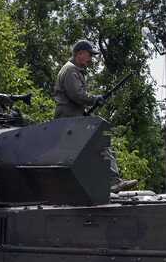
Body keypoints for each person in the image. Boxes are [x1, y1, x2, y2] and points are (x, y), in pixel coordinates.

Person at [54, 39, 137, 193]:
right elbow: (77, 94)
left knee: (92, 149)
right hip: (70, 118)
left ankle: (109, 181)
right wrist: (95, 99)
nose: (91, 59)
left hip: (73, 117)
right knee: (97, 144)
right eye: (90, 55)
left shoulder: (73, 70)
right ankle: (112, 181)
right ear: (80, 54)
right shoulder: (70, 70)